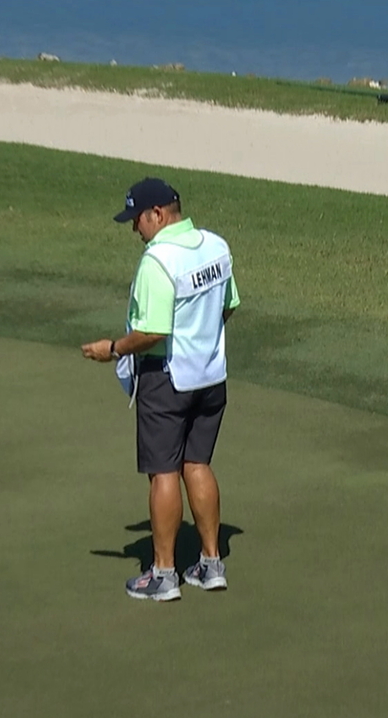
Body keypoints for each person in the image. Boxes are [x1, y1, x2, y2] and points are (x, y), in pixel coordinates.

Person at [81, 177, 239, 602]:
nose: (135, 228)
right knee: (197, 464)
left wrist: (113, 349)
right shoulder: (216, 246)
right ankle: (211, 564)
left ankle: (164, 574)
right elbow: (227, 305)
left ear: (157, 214)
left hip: (167, 379)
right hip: (211, 377)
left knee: (163, 471)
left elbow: (152, 332)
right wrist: (199, 336)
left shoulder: (158, 260)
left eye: (137, 219)